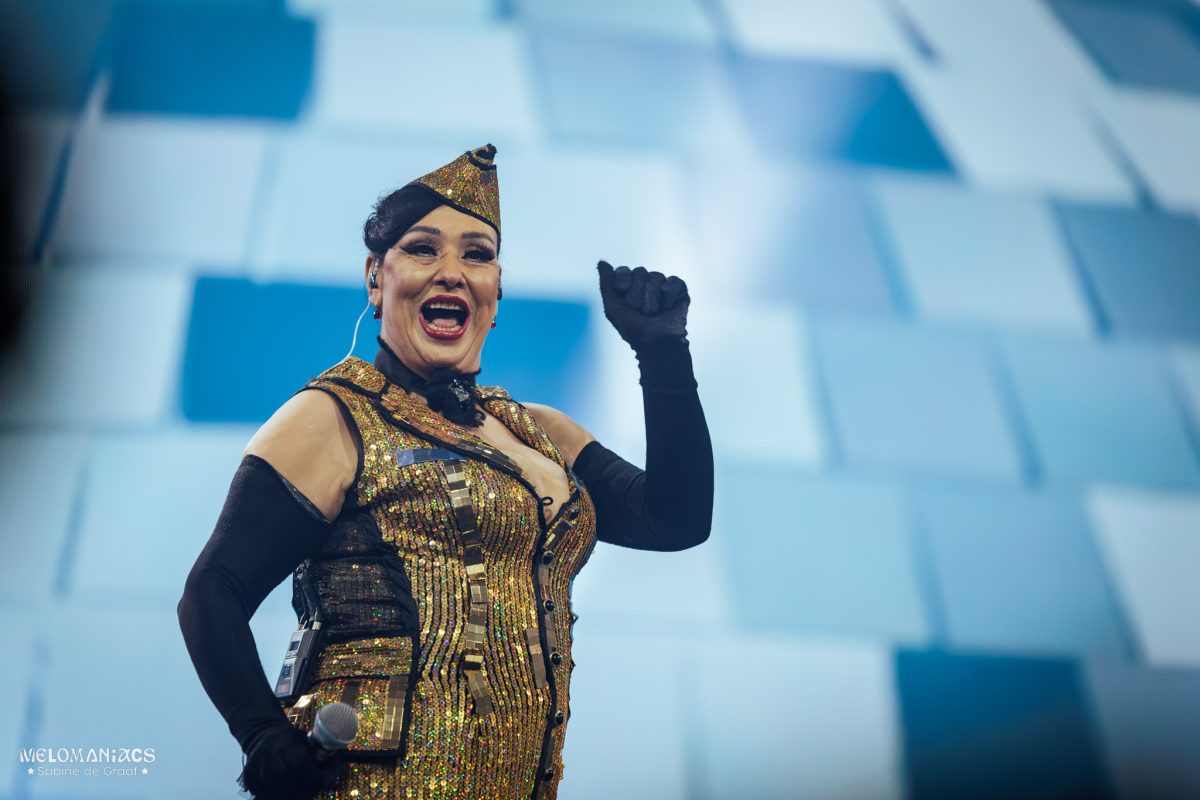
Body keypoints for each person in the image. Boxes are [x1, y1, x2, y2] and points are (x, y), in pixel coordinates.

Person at [177, 144, 713, 800]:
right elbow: (214, 589)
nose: (453, 272)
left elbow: (675, 519)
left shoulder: (539, 432)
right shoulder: (334, 416)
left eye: (477, 255)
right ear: (375, 278)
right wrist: (261, 732)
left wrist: (663, 353)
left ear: (496, 291)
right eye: (423, 249)